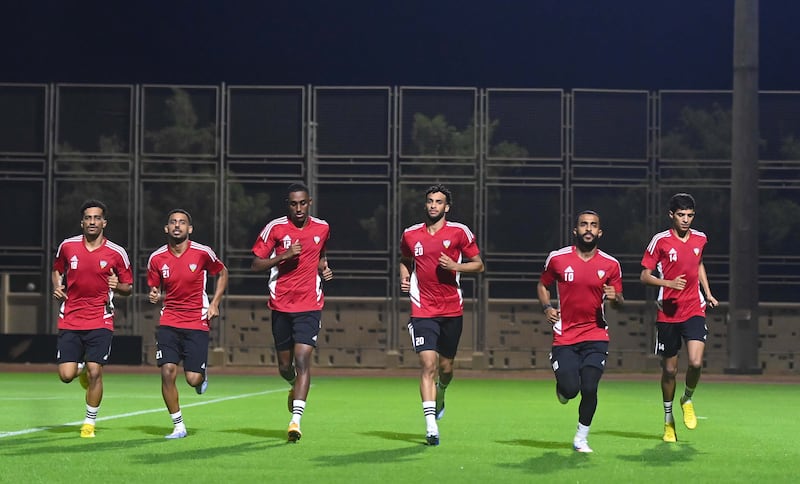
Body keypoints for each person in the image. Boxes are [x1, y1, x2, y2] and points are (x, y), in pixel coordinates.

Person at [399, 184, 484, 446]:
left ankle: (442, 393)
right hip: (422, 309)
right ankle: (430, 426)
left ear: (447, 207)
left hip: (451, 309)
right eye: (430, 201)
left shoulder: (459, 232)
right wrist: (404, 275)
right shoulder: (411, 234)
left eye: (439, 202)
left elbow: (479, 264)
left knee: (445, 369)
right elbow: (404, 259)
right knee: (428, 365)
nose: (433, 205)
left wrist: (456, 265)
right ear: (426, 205)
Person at [251, 183, 333, 443]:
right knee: (285, 366)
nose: (298, 208)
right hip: (281, 305)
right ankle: (293, 385)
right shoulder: (275, 228)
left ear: (309, 202)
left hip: (310, 305)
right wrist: (284, 256)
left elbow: (321, 255)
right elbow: (255, 264)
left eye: (303, 203)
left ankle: (295, 421)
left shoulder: (322, 227)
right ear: (288, 204)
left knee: (302, 359)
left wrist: (324, 268)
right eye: (293, 204)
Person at [537, 210, 623, 453]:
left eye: (593, 225)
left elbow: (618, 298)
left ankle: (581, 438)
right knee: (570, 390)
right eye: (584, 225)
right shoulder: (558, 258)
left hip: (596, 335)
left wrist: (615, 298)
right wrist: (546, 307)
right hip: (565, 336)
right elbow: (543, 285)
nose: (588, 229)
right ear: (575, 230)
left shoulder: (611, 264)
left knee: (590, 387)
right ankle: (562, 384)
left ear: (600, 232)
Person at [51, 199, 133, 438]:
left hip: (100, 318)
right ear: (82, 222)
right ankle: (82, 370)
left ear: (104, 223)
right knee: (66, 375)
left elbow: (128, 286)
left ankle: (89, 423)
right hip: (70, 318)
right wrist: (57, 285)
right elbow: (56, 269)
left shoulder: (116, 253)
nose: (92, 222)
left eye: (97, 218)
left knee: (97, 372)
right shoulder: (67, 246)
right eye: (88, 218)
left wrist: (119, 286)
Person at [640, 192, 718, 443]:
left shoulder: (700, 238)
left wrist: (708, 292)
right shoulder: (660, 241)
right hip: (668, 313)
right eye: (681, 215)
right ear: (671, 215)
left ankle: (687, 398)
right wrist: (668, 282)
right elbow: (644, 275)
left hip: (694, 308)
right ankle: (668, 420)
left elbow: (699, 264)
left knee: (695, 363)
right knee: (670, 370)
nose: (686, 220)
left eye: (690, 215)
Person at [147, 209, 228, 439]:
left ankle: (201, 375)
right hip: (169, 320)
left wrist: (214, 304)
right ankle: (179, 425)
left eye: (182, 223)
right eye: (173, 222)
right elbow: (155, 288)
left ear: (189, 229)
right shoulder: (156, 258)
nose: (177, 226)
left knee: (193, 378)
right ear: (166, 228)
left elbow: (222, 273)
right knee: (167, 372)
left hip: (196, 320)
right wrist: (154, 294)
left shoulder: (202, 253)